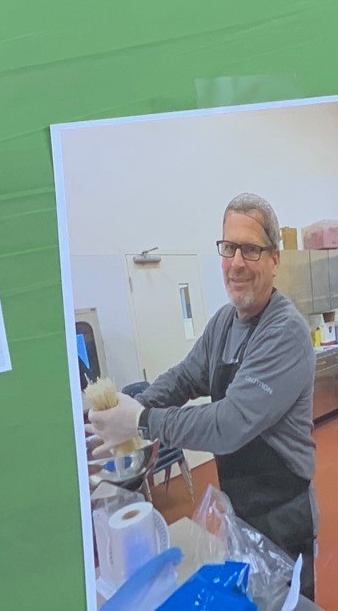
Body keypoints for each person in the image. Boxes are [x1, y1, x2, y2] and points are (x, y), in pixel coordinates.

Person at [85, 193, 318, 599]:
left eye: (251, 249)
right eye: (229, 248)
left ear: (274, 259)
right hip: (239, 509)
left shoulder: (285, 332)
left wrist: (142, 421)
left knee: (286, 604)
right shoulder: (224, 323)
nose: (236, 262)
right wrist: (131, 410)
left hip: (283, 515)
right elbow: (184, 377)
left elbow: (229, 424)